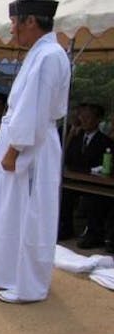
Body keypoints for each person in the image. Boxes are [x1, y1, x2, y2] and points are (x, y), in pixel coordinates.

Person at [0, 0, 71, 304]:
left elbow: (35, 108)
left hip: (31, 148)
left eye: (16, 21)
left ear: (30, 21)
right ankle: (8, 273)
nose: (12, 28)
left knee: (29, 215)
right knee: (12, 213)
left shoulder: (49, 55)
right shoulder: (43, 53)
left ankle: (28, 285)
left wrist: (13, 151)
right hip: (24, 144)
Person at [58, 103, 114, 247]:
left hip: (95, 183)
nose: (83, 120)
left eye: (88, 117)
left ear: (97, 120)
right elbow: (66, 156)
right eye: (81, 117)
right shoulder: (76, 137)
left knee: (97, 198)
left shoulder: (105, 142)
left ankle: (94, 234)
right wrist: (70, 135)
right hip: (75, 179)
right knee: (63, 192)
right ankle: (65, 227)